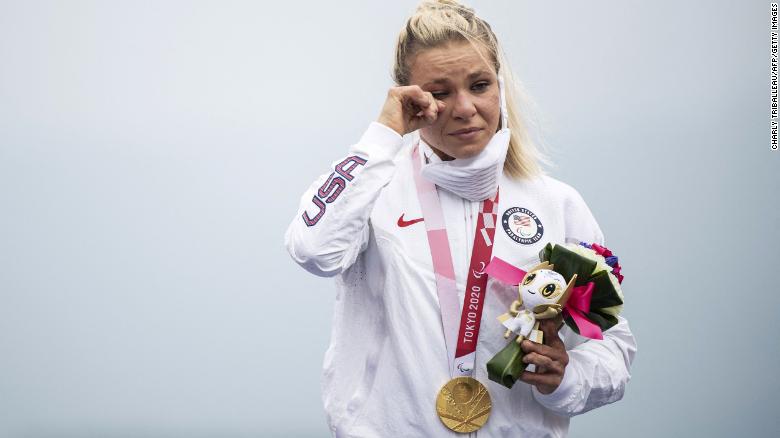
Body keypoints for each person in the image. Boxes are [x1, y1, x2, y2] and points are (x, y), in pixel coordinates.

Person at [283, 1, 637, 436]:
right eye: (440, 92)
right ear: (410, 99)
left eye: (480, 84)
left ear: (500, 87)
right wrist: (384, 136)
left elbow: (614, 349)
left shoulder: (556, 204)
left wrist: (567, 377)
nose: (465, 107)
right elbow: (312, 249)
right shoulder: (373, 193)